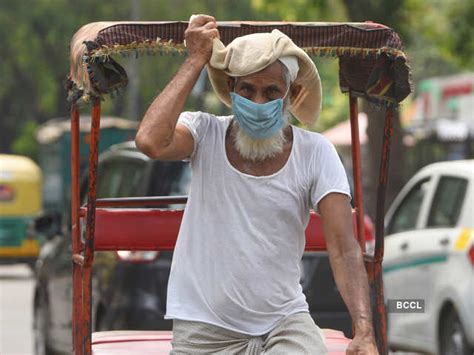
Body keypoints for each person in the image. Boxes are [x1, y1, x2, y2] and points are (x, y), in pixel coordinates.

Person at [136, 14, 378, 355]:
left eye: (271, 91)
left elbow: (343, 247)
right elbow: (150, 141)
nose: (258, 102)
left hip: (285, 323)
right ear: (232, 89)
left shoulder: (315, 151)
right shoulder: (205, 132)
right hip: (205, 328)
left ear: (291, 95)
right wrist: (195, 60)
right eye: (247, 89)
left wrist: (364, 330)